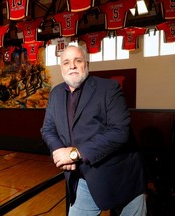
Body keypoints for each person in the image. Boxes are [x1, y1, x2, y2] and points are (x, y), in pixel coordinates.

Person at [41, 45, 147, 215]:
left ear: (86, 64)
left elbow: (120, 131)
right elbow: (47, 128)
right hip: (83, 177)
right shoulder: (56, 93)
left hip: (122, 177)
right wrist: (60, 152)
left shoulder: (108, 88)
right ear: (61, 67)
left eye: (77, 60)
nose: (72, 66)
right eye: (66, 62)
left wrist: (75, 154)